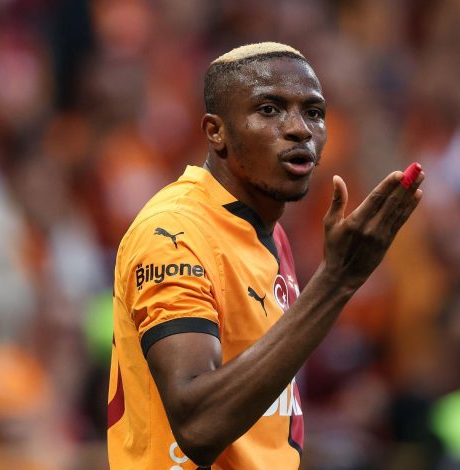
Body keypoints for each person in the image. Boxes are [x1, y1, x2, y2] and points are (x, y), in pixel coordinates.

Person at [107, 42, 424, 469]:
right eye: (270, 110)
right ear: (215, 132)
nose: (300, 130)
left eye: (313, 112)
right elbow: (197, 425)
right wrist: (335, 282)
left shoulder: (271, 235)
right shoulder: (174, 233)